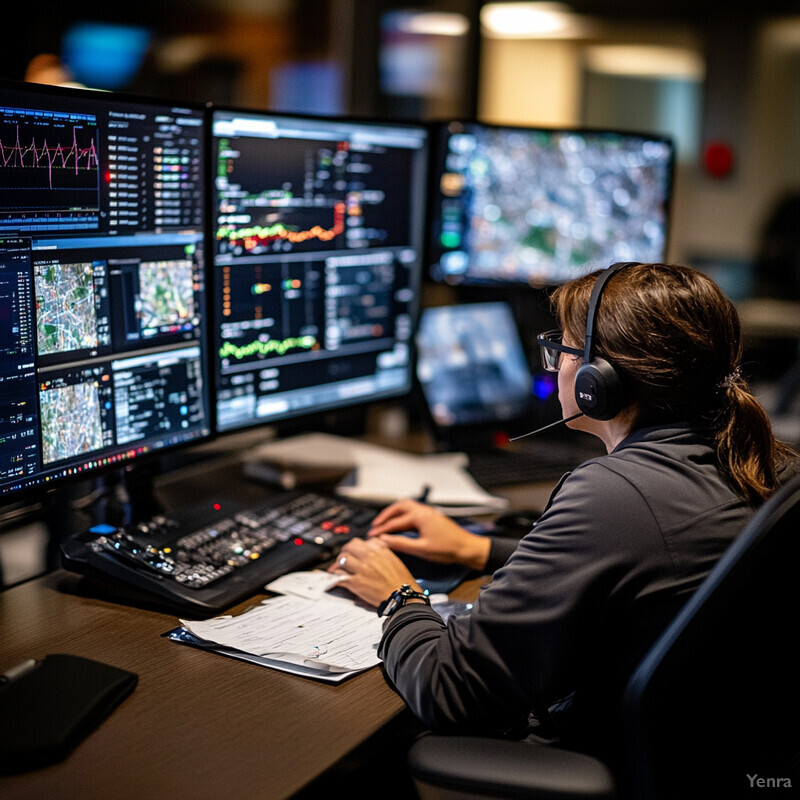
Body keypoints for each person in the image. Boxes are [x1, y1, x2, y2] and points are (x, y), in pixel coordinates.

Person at [329, 261, 798, 771]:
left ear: (602, 380)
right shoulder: (762, 458)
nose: (554, 367)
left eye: (564, 349)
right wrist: (479, 549)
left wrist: (398, 597)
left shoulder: (614, 494)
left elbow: (452, 691)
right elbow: (641, 563)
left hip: (600, 759)